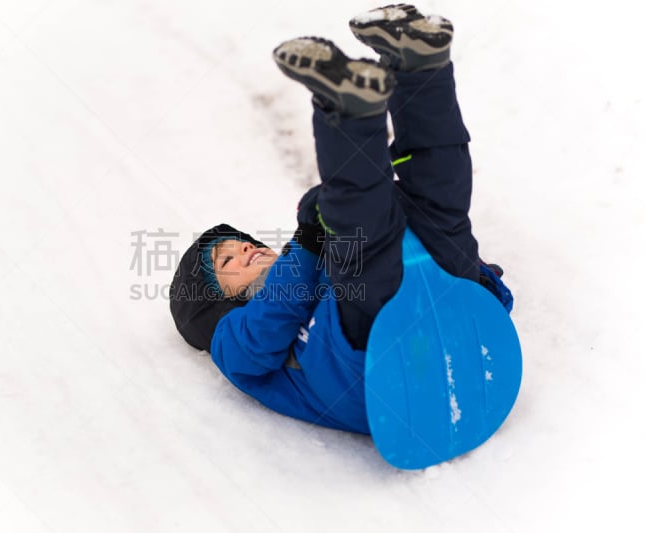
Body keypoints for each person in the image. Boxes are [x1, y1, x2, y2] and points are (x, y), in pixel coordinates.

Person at [169, 4, 512, 434]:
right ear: (215, 306)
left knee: (434, 199)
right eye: (225, 262)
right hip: (376, 361)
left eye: (241, 243)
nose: (245, 248)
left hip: (455, 316)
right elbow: (269, 321)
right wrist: (311, 237)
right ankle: (348, 110)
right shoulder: (231, 343)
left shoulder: (309, 269)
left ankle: (421, 67)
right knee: (359, 230)